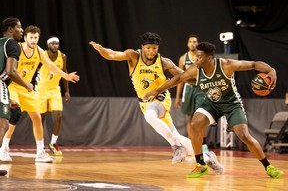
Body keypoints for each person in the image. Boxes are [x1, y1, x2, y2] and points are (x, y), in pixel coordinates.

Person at [143, 41, 284, 179]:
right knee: (195, 124)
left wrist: (272, 71)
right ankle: (201, 164)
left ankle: (268, 166)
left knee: (244, 136)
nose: (196, 59)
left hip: (231, 104)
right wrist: (157, 91)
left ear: (209, 57)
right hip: (211, 103)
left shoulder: (226, 65)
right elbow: (179, 78)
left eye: (199, 57)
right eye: (196, 56)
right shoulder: (195, 69)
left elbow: (253, 64)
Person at [89, 32, 223, 173]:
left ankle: (177, 147)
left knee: (150, 116)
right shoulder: (133, 56)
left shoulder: (164, 62)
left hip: (160, 98)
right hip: (145, 102)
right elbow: (112, 55)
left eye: (154, 48)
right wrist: (102, 50)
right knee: (176, 135)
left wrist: (204, 81)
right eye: (148, 48)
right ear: (142, 47)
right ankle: (208, 158)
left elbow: (183, 76)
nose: (151, 51)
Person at [0, 25, 79, 163]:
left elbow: (50, 65)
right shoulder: (17, 48)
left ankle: (40, 152)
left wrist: (65, 76)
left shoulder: (39, 51)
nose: (33, 40)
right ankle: (4, 148)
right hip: (12, 86)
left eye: (36, 38)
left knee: (36, 117)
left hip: (27, 88)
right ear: (25, 38)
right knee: (15, 114)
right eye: (31, 37)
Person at [0, 17, 34, 176]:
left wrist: (9, 98)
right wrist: (26, 85)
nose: (22, 30)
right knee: (3, 125)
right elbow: (11, 71)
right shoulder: (13, 44)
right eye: (19, 27)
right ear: (10, 29)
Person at [174, 34, 208, 153]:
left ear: (197, 43)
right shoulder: (183, 58)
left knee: (201, 118)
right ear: (188, 44)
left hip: (201, 88)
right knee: (190, 118)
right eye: (191, 42)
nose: (193, 43)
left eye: (195, 41)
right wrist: (177, 97)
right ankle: (191, 146)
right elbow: (180, 78)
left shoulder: (202, 57)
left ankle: (204, 146)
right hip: (188, 89)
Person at [37, 36, 70, 156]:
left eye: (57, 44)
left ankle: (53, 143)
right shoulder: (42, 55)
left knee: (58, 116)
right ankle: (40, 146)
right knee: (40, 118)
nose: (55, 46)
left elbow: (65, 72)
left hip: (55, 89)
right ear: (48, 45)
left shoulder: (63, 56)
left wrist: (67, 91)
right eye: (53, 44)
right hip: (41, 89)